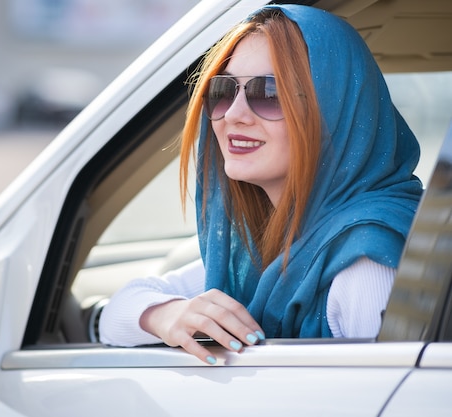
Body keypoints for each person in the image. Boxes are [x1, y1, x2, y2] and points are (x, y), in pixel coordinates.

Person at [98, 4, 423, 365]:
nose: (234, 113)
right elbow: (116, 315)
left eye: (268, 93)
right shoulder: (266, 243)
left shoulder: (366, 262)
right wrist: (167, 315)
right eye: (222, 90)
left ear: (335, 110)